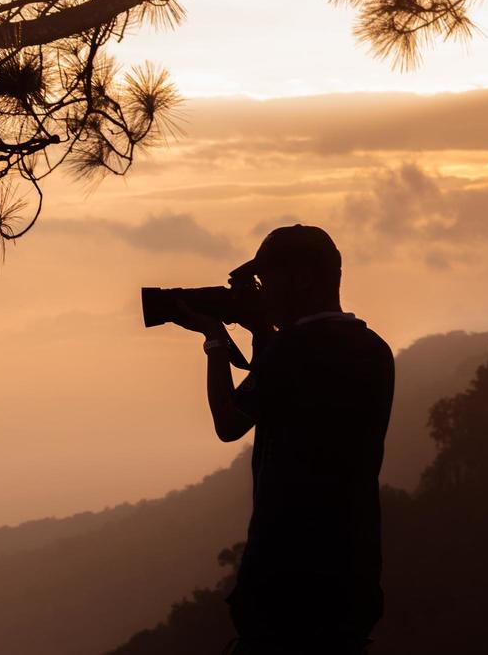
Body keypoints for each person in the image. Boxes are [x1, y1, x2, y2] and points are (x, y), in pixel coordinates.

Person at [175, 224, 394, 655]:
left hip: (286, 581)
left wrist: (215, 340)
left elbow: (228, 421)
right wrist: (263, 333)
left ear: (303, 280)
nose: (261, 292)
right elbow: (290, 393)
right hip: (352, 575)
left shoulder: (293, 350)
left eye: (267, 279)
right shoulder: (373, 348)